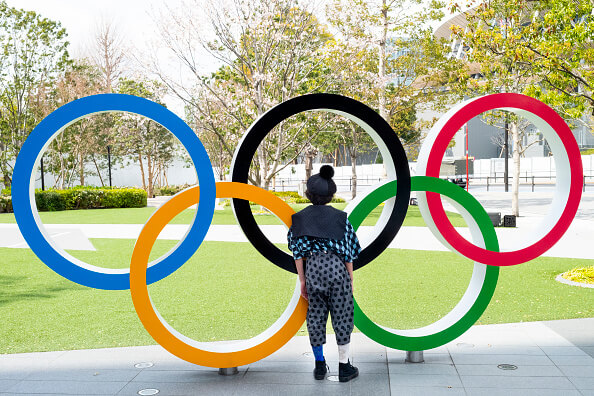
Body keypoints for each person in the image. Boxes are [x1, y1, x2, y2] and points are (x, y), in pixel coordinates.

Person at [287, 165, 362, 382]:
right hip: (337, 268)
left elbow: (298, 253)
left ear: (309, 194)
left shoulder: (299, 219)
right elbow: (349, 252)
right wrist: (350, 278)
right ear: (331, 195)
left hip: (313, 270)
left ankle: (320, 366)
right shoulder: (340, 218)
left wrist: (303, 280)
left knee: (316, 316)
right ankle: (344, 366)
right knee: (342, 314)